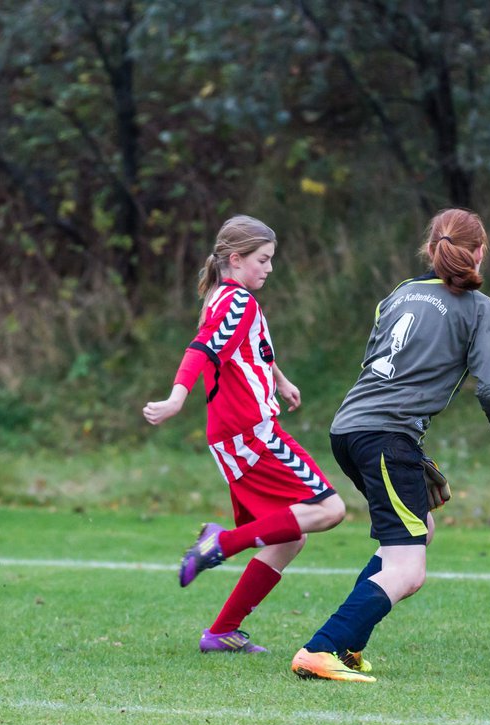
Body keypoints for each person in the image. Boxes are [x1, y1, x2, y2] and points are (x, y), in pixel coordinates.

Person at [289, 208, 490, 683]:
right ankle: (320, 648)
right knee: (409, 569)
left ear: (430, 249)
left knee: (417, 529)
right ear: (481, 251)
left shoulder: (399, 294)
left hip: (349, 429)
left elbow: (373, 361)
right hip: (386, 436)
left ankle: (349, 647)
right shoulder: (480, 309)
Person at [143, 215, 345, 654]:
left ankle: (221, 632)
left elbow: (248, 349)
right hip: (252, 435)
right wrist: (177, 397)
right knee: (329, 509)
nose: (269, 268)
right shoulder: (236, 302)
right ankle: (221, 543)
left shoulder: (227, 297)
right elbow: (202, 349)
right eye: (263, 259)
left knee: (291, 536)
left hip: (233, 437)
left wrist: (278, 378)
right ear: (235, 259)